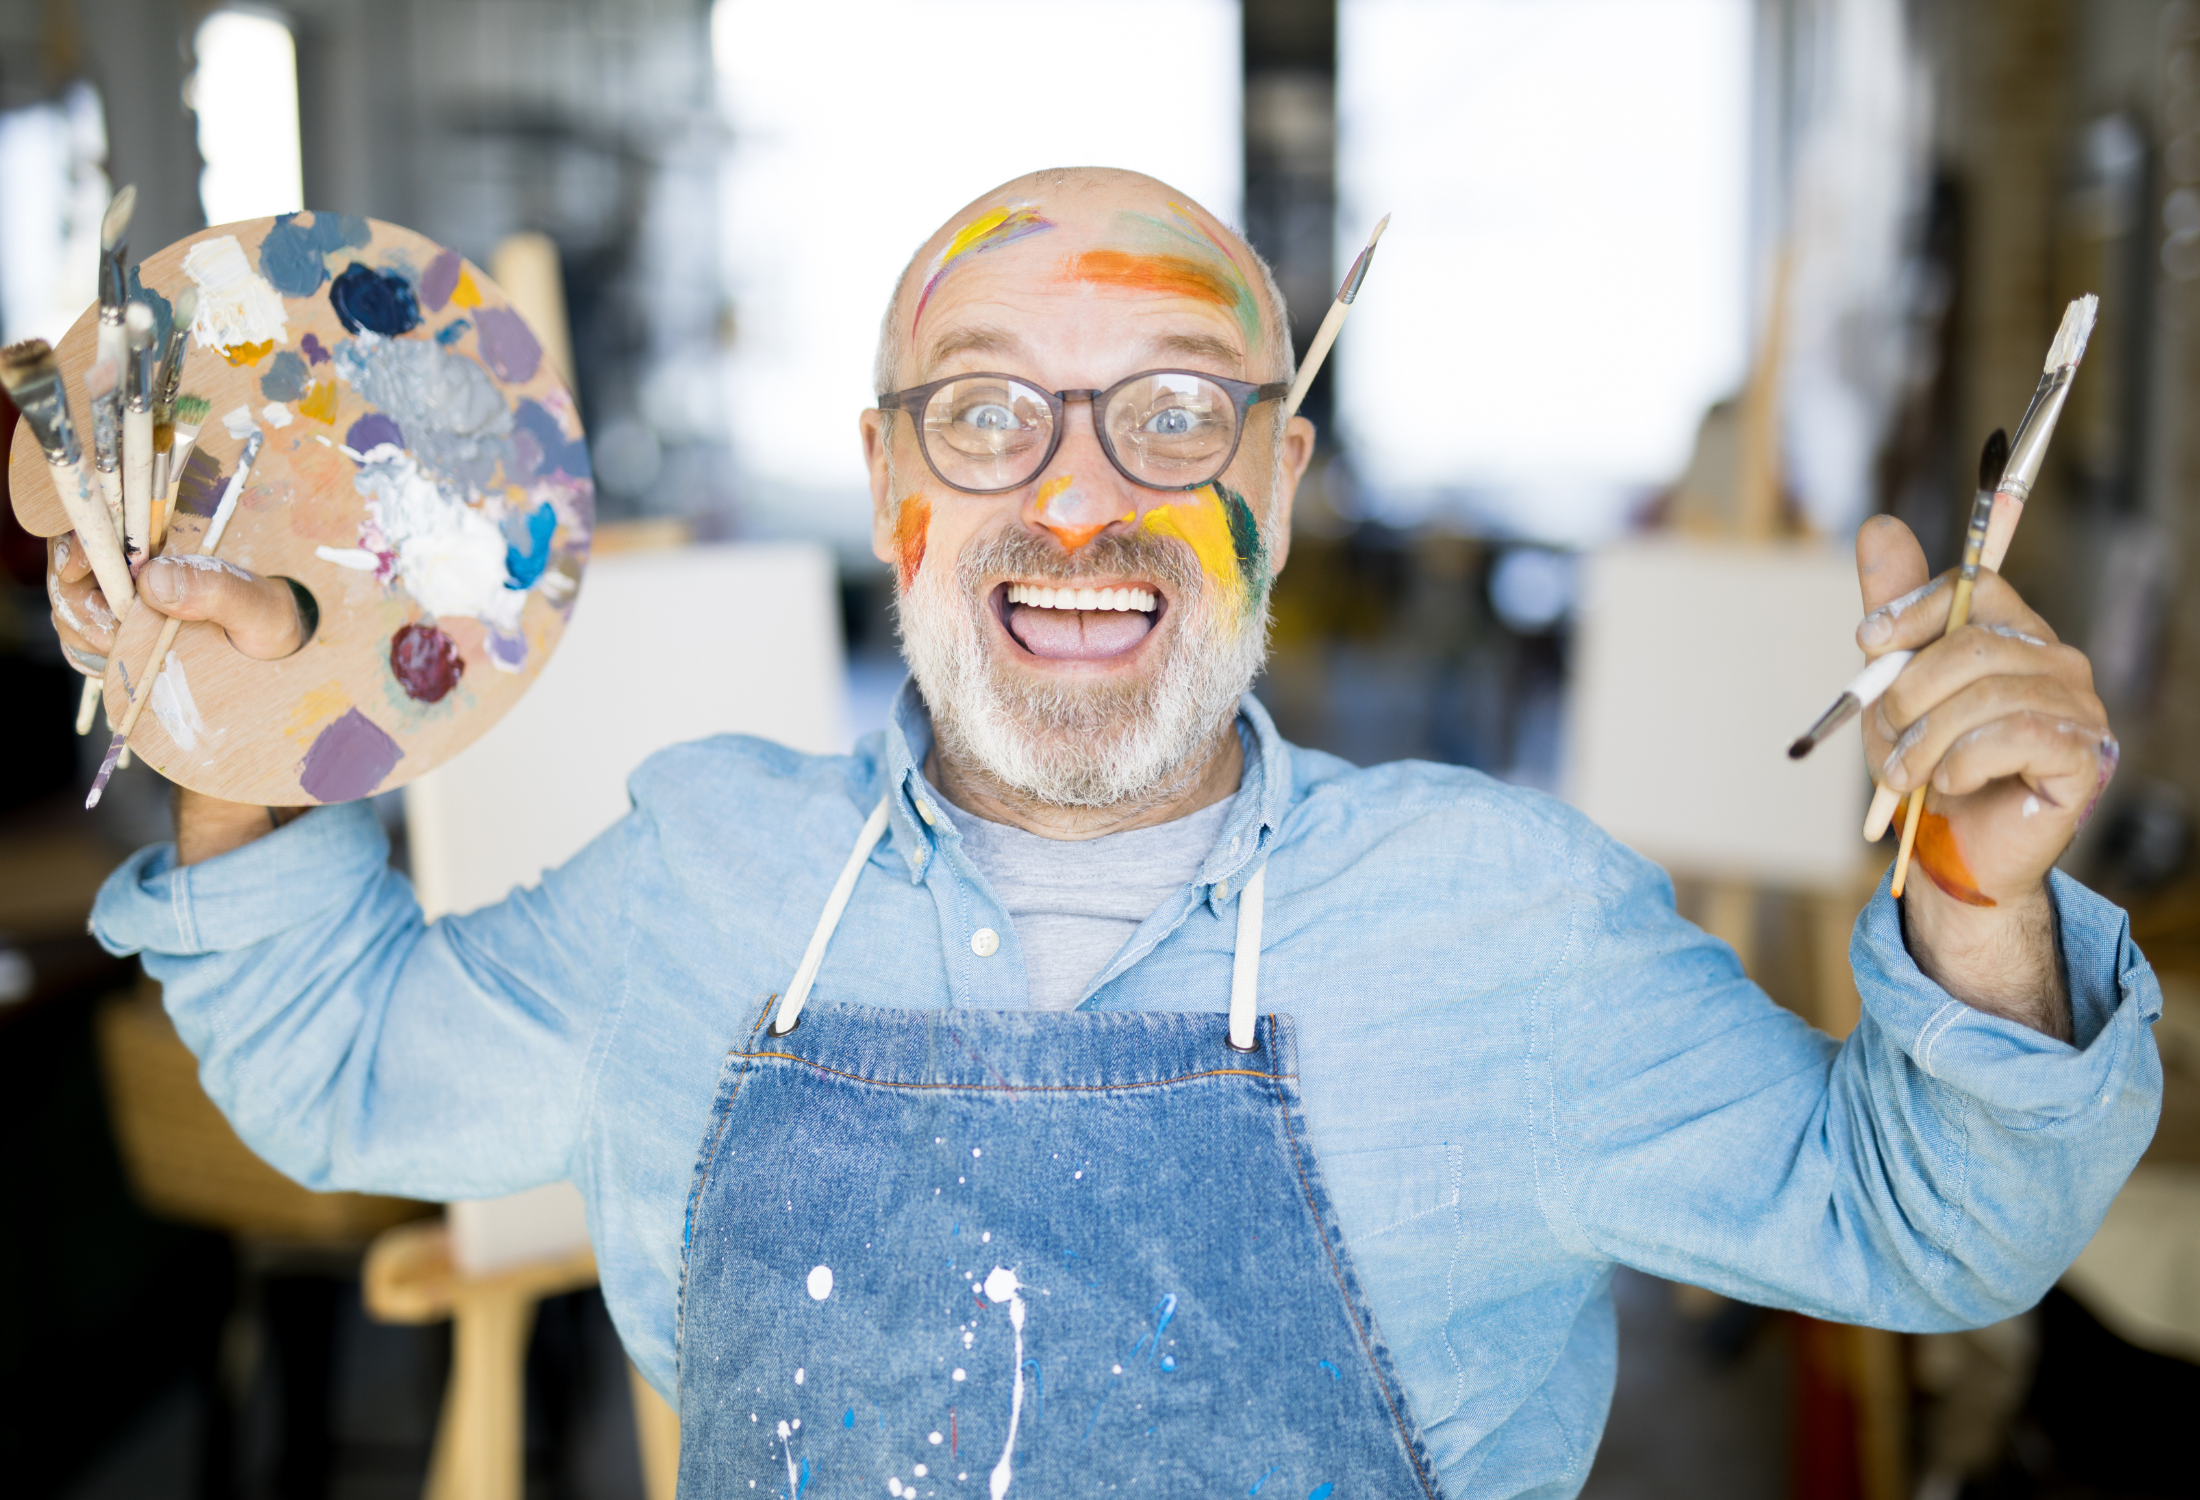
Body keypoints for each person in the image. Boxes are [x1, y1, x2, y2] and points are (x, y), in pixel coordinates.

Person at [51, 168, 2158, 1497]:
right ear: (886, 481)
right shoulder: (700, 876)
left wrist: (1976, 902)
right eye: (982, 413)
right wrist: (221, 708)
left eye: (1171, 413)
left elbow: (1923, 1230)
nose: (1075, 500)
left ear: (1284, 469)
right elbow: (340, 1073)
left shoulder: (1497, 919)